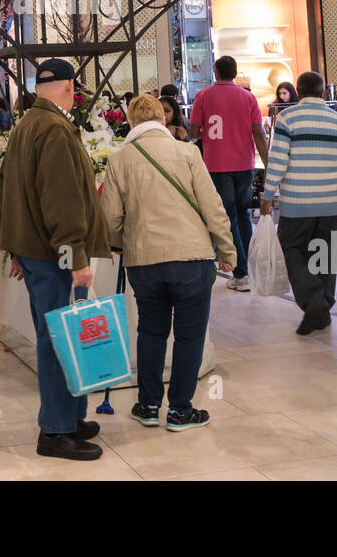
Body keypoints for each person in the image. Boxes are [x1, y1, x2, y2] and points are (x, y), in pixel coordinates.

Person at [0, 59, 112, 461]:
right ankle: (56, 431)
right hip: (54, 255)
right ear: (69, 88)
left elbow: (13, 192)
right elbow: (60, 202)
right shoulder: (55, 129)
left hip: (36, 251)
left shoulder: (29, 122)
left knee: (62, 336)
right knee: (60, 341)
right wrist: (75, 256)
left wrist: (15, 247)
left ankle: (71, 417)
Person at [100, 94, 236, 430]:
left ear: (130, 123)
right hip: (192, 258)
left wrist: (120, 245)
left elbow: (110, 217)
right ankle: (180, 411)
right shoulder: (188, 152)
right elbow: (212, 206)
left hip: (144, 262)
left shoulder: (118, 160)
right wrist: (228, 251)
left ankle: (147, 406)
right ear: (163, 120)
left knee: (150, 332)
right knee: (189, 337)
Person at [261, 71, 337, 333]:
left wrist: (268, 196)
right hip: (331, 202)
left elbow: (278, 161)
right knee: (323, 255)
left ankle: (314, 304)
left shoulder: (288, 118)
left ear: (298, 92)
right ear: (324, 92)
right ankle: (323, 306)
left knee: (292, 251)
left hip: (297, 202)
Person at [188, 56, 269, 291]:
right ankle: (248, 267)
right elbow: (258, 135)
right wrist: (268, 164)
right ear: (235, 73)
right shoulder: (248, 97)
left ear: (216, 71)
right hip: (245, 164)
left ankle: (241, 272)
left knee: (228, 216)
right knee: (243, 214)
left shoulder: (204, 96)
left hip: (217, 165)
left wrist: (210, 136)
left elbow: (194, 130)